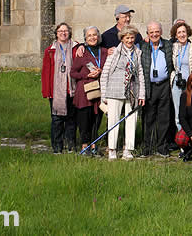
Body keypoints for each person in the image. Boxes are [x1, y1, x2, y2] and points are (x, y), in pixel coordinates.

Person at [101, 26, 145, 160]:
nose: (130, 40)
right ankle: (112, 149)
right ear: (122, 38)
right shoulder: (114, 52)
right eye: (127, 38)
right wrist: (104, 95)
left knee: (131, 120)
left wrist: (141, 94)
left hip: (132, 91)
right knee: (113, 120)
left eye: (132, 38)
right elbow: (105, 73)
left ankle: (128, 150)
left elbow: (140, 74)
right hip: (114, 91)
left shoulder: (138, 52)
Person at [42, 22, 79, 153]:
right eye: (60, 31)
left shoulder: (75, 48)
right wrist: (46, 91)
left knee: (71, 120)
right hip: (56, 91)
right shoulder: (50, 50)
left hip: (71, 89)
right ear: (56, 34)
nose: (63, 33)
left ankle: (71, 146)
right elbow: (46, 71)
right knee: (57, 120)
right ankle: (57, 147)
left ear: (69, 33)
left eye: (66, 31)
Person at [71, 26, 108, 155]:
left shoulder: (104, 52)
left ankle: (94, 145)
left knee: (97, 119)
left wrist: (101, 71)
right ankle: (84, 146)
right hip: (84, 92)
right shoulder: (82, 53)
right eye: (89, 36)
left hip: (100, 90)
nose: (92, 37)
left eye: (94, 35)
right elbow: (73, 73)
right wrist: (86, 75)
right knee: (84, 120)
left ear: (98, 36)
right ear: (85, 39)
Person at [140, 21, 174, 157]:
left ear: (161, 32)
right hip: (150, 86)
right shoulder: (143, 46)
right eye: (151, 32)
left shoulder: (168, 45)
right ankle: (147, 146)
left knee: (164, 117)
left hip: (164, 85)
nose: (154, 34)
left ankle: (162, 146)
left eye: (157, 31)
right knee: (148, 118)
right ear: (147, 34)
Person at [170, 21, 192, 133]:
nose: (182, 35)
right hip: (177, 84)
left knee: (190, 111)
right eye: (179, 32)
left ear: (188, 33)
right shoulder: (173, 47)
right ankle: (182, 138)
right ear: (175, 35)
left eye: (184, 32)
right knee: (178, 113)